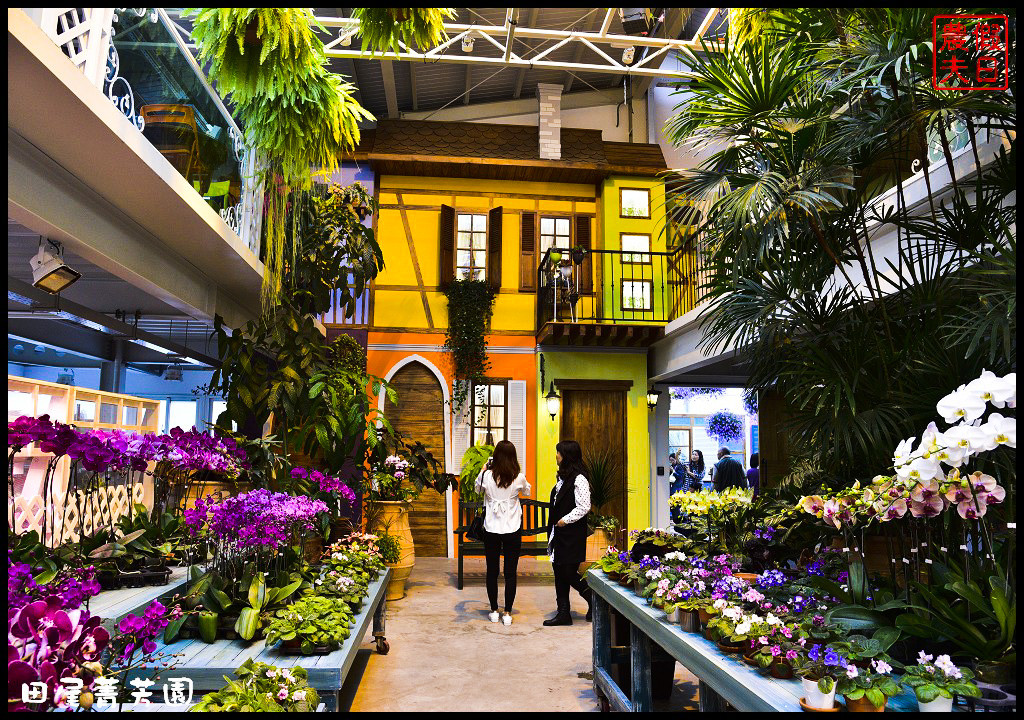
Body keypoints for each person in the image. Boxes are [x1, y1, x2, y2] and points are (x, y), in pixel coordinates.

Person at [474, 440, 531, 626]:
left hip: (491, 528)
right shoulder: (519, 477)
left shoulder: (487, 476)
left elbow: (476, 489)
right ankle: (507, 613)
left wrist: (483, 470)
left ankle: (493, 611)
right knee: (510, 573)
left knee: (492, 571)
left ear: (495, 457)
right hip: (512, 528)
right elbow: (528, 492)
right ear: (513, 457)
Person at [543, 439, 592, 626]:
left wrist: (565, 520)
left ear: (566, 456)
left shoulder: (579, 478)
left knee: (568, 573)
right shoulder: (563, 477)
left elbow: (584, 506)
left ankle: (593, 599)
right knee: (559, 572)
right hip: (560, 534)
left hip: (571, 534)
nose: (556, 455)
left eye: (558, 452)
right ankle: (564, 613)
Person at [668, 453, 687, 526]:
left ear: (675, 459)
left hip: (677, 488)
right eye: (670, 461)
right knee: (672, 505)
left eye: (672, 460)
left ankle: (678, 521)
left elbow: (680, 477)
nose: (671, 462)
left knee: (676, 505)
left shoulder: (680, 467)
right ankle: (675, 519)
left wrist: (673, 471)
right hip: (671, 487)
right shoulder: (671, 466)